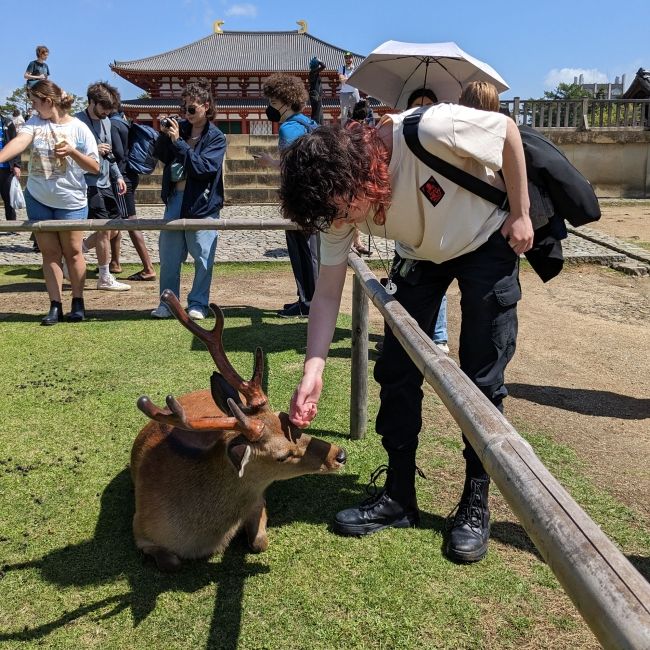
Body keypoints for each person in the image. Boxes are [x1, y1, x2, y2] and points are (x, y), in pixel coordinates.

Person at [279, 103, 533, 564]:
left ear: (358, 175)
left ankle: (475, 500)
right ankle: (398, 494)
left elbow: (508, 133)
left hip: (485, 240)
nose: (340, 222)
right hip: (420, 253)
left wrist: (521, 211)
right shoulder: (337, 209)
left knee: (481, 376)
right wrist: (312, 368)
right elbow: (326, 295)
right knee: (395, 369)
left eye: (341, 210)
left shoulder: (429, 131)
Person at [0, 80, 99, 324]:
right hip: (38, 199)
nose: (32, 108)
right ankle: (55, 304)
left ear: (48, 101)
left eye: (35, 103)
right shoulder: (35, 124)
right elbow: (20, 142)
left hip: (71, 201)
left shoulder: (79, 128)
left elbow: (95, 167)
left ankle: (78, 302)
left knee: (74, 252)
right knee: (50, 253)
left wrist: (73, 152)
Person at [150, 82, 226, 320]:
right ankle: (168, 302)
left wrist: (179, 144)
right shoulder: (179, 129)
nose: (187, 114)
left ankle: (199, 303)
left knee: (203, 255)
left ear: (206, 106)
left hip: (202, 202)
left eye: (191, 109)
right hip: (175, 198)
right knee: (169, 255)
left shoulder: (216, 137)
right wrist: (164, 136)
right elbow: (160, 155)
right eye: (184, 109)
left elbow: (204, 168)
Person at [256, 73, 319, 318]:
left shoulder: (288, 128)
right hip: (315, 198)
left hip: (299, 199)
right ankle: (309, 300)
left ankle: (307, 303)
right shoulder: (309, 123)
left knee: (302, 253)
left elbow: (294, 166)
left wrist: (270, 163)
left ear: (283, 101)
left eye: (272, 102)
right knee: (311, 252)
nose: (270, 107)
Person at [76, 82, 130, 291]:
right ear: (91, 102)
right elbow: (70, 153)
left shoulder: (107, 121)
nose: (106, 112)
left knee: (115, 228)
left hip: (106, 179)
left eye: (109, 109)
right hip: (87, 182)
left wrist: (118, 176)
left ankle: (77, 249)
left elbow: (110, 154)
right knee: (102, 229)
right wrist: (93, 150)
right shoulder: (77, 122)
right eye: (103, 107)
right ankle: (104, 276)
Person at [106, 90, 156, 281]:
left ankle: (148, 267)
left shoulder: (112, 125)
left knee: (130, 221)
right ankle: (115, 262)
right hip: (131, 175)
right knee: (117, 217)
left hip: (122, 177)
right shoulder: (125, 122)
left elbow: (118, 153)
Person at [0, 113, 21, 224]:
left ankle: (12, 224)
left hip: (6, 168)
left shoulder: (7, 122)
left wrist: (17, 165)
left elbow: (16, 144)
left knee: (9, 198)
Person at [338, 52, 360, 126]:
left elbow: (357, 80)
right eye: (346, 57)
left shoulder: (356, 68)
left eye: (349, 57)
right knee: (344, 114)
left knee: (356, 113)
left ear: (352, 58)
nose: (348, 59)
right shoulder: (342, 68)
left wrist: (346, 79)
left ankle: (357, 129)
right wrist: (350, 79)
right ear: (345, 59)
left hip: (354, 92)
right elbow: (341, 79)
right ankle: (343, 131)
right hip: (344, 93)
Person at [308, 57, 326, 125]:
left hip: (315, 95)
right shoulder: (313, 72)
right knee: (317, 113)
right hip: (316, 96)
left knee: (318, 112)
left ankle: (319, 125)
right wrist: (319, 61)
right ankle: (316, 126)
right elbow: (323, 66)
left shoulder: (312, 73)